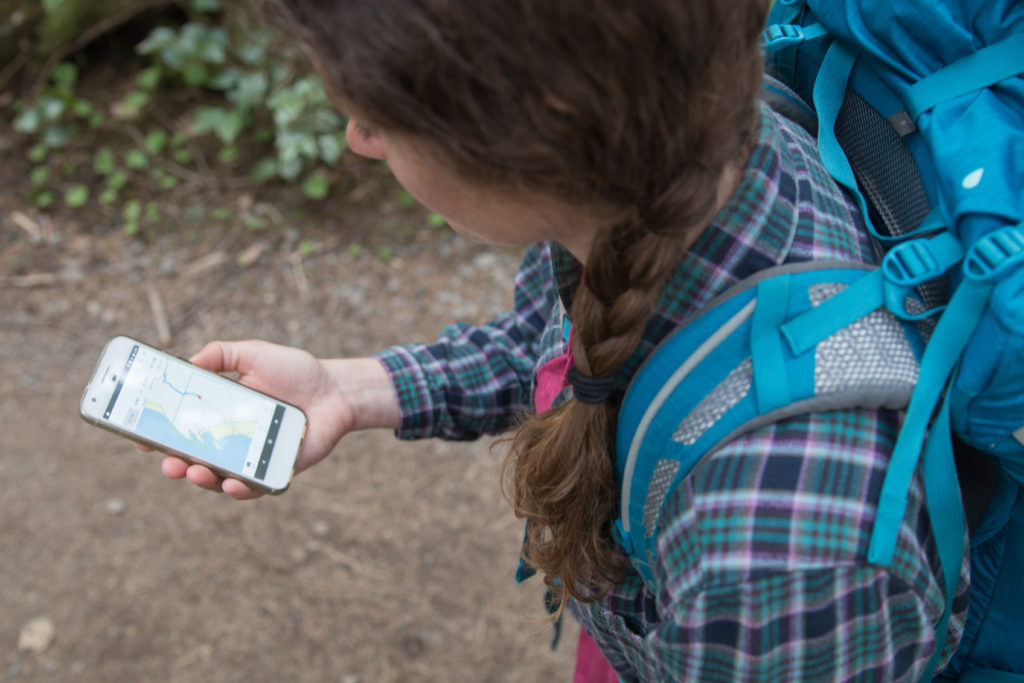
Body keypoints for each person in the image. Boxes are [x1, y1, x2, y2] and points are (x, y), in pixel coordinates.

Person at [161, 1, 968, 680]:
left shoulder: (777, 558)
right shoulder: (680, 142)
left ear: (538, 126)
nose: (357, 142)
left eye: (375, 114)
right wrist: (352, 389)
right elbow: (565, 350)